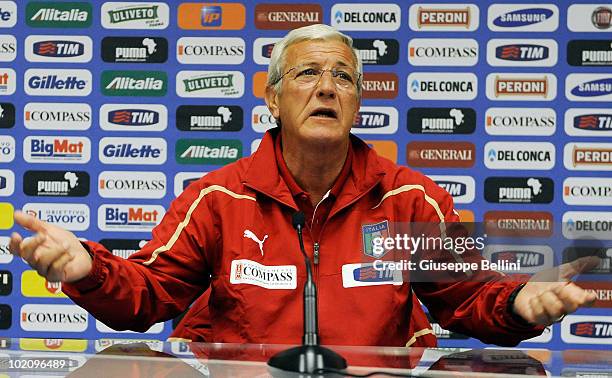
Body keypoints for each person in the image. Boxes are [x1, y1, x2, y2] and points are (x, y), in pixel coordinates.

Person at [10, 24, 597, 347]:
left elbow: (469, 299)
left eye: (343, 76)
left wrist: (522, 303)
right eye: (308, 73)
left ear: (358, 103)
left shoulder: (411, 200)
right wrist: (86, 265)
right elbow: (150, 294)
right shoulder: (218, 199)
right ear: (272, 97)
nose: (327, 87)